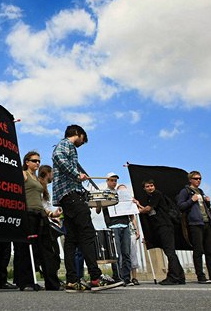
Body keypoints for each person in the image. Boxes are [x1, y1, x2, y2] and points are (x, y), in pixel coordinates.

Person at [51, 125, 122, 292]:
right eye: (83, 139)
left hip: (67, 197)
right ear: (77, 134)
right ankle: (96, 277)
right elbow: (58, 157)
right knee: (88, 233)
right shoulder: (65, 145)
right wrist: (77, 175)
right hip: (71, 195)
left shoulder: (66, 147)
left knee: (72, 239)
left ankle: (72, 280)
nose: (83, 143)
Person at [13, 151, 62, 291]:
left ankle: (52, 283)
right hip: (28, 214)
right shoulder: (23, 174)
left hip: (41, 215)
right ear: (27, 162)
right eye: (34, 161)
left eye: (39, 161)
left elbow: (40, 201)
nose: (37, 163)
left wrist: (52, 213)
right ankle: (26, 282)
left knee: (46, 249)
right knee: (27, 249)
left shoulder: (37, 179)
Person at [177, 171, 211, 284]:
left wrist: (207, 203)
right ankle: (201, 276)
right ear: (190, 179)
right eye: (196, 178)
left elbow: (204, 208)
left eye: (200, 178)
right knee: (198, 250)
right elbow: (180, 206)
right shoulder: (185, 191)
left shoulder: (201, 192)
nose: (198, 180)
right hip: (195, 224)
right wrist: (191, 200)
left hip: (207, 223)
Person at [135, 179, 185, 285]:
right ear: (144, 188)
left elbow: (148, 209)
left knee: (170, 252)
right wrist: (139, 205)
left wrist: (135, 210)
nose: (150, 188)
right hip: (161, 226)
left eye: (151, 185)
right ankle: (180, 276)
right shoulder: (151, 198)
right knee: (170, 252)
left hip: (164, 226)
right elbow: (150, 209)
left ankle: (174, 277)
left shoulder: (156, 194)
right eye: (147, 186)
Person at [98, 174, 133, 286]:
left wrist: (133, 203)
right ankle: (118, 276)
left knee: (126, 252)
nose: (114, 182)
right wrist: (101, 202)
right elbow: (98, 210)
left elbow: (130, 208)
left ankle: (127, 278)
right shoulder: (104, 193)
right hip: (113, 225)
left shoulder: (122, 194)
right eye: (112, 180)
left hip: (125, 224)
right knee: (116, 254)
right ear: (107, 181)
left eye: (115, 180)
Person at [129, 217, 140, 285]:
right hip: (120, 228)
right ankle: (126, 276)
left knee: (133, 255)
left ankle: (134, 277)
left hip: (131, 232)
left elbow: (132, 216)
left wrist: (136, 230)